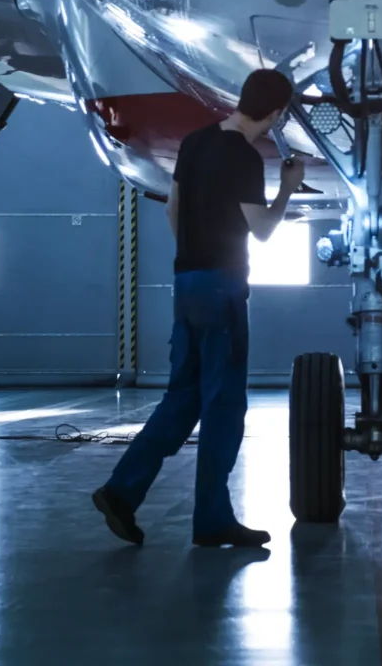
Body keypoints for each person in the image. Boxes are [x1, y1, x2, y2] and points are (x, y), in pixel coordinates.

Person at [93, 67, 302, 548]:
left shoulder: (195, 142)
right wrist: (289, 185)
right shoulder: (245, 159)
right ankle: (211, 518)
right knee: (223, 405)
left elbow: (172, 209)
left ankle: (121, 490)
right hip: (223, 288)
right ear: (274, 113)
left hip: (186, 282)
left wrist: (195, 256)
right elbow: (264, 230)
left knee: (182, 398)